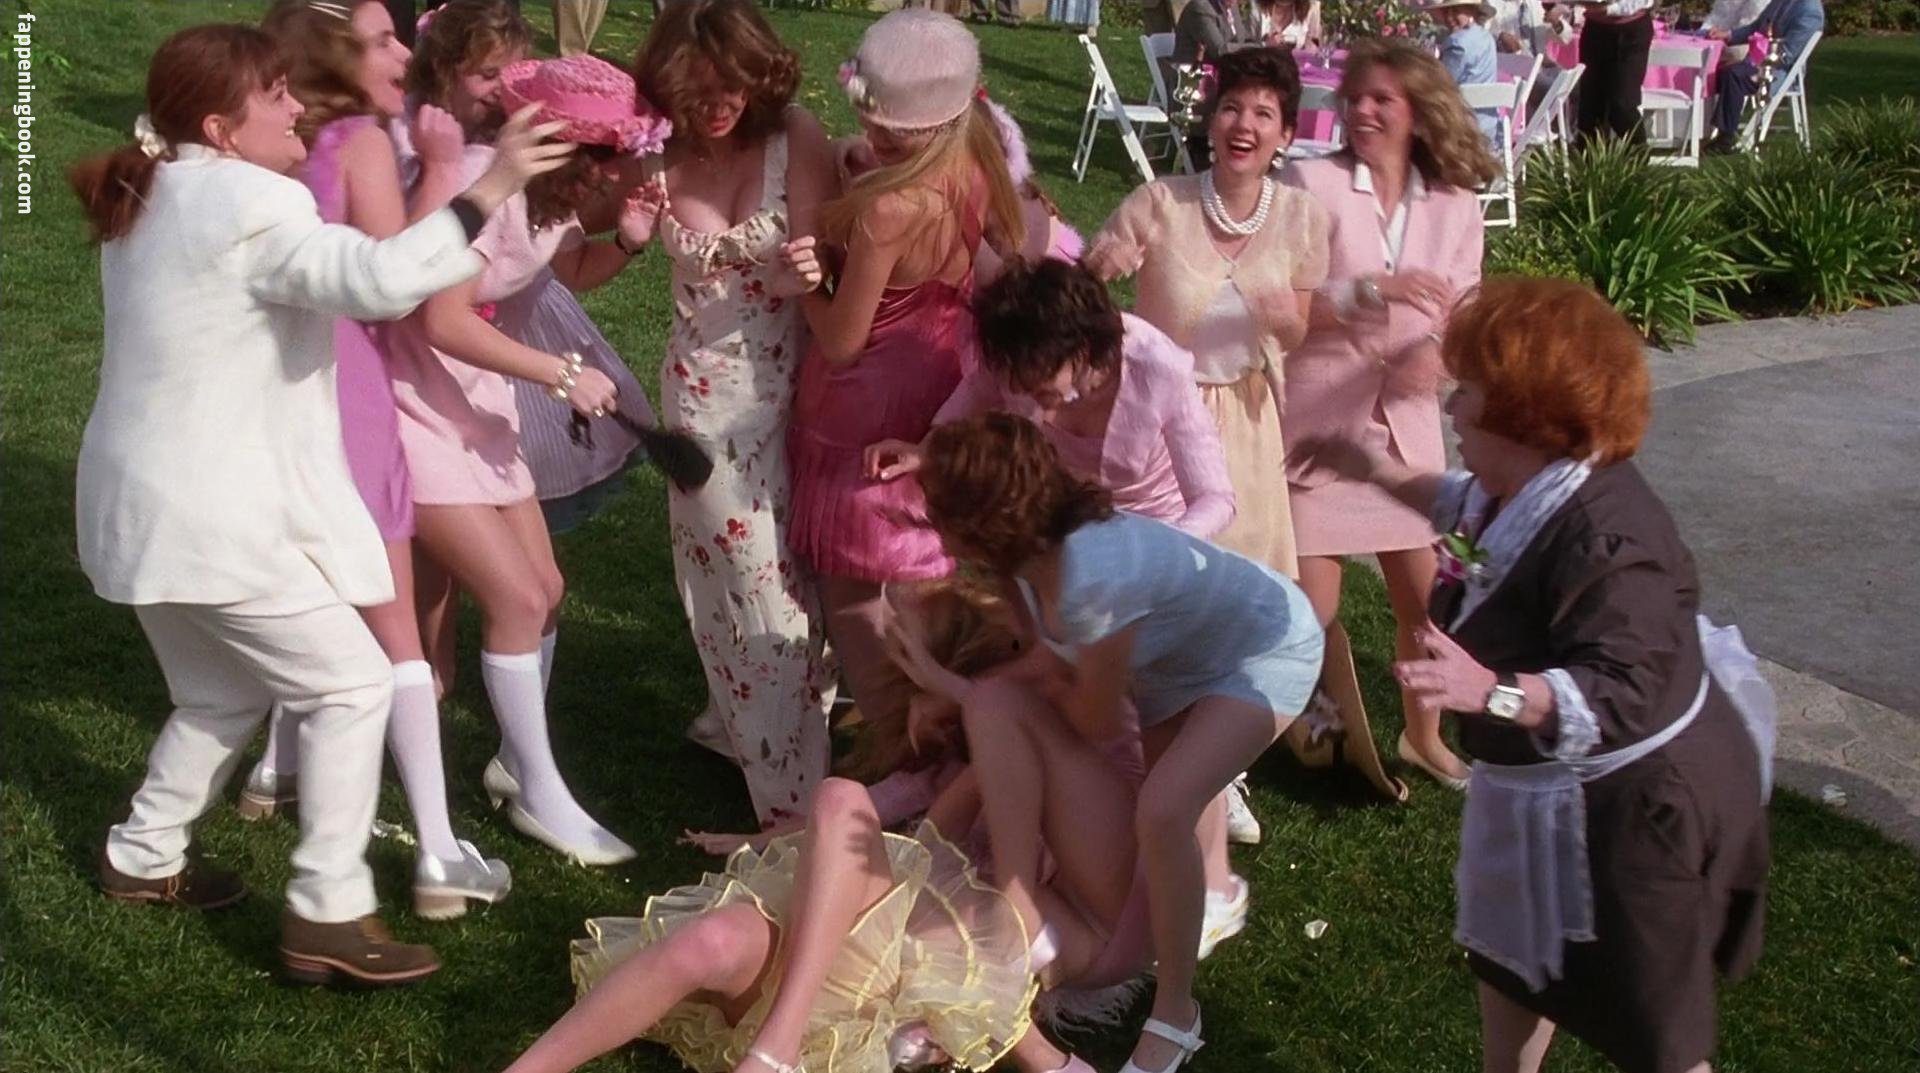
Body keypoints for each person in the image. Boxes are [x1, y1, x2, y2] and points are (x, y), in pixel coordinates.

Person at [71, 22, 565, 983]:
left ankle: (143, 853)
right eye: (274, 95)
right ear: (221, 128)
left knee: (220, 690)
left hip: (136, 511)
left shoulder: (153, 191)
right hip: (213, 518)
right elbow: (379, 283)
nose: (296, 106)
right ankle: (327, 913)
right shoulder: (252, 201)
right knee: (352, 684)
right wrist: (494, 183)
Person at [1302, 277, 1772, 1073]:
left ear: (1525, 415)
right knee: (1513, 966)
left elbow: (1622, 691)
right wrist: (1371, 467)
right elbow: (1462, 507)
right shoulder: (1524, 486)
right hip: (1544, 787)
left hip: (1637, 812)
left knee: (1652, 1025)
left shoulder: (1613, 540)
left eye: (1468, 392)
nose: (1452, 409)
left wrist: (1489, 691)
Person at [501, 584, 1127, 1073]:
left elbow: (942, 864)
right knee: (712, 938)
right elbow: (903, 838)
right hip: (833, 970)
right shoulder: (946, 769)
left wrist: (968, 722)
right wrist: (757, 841)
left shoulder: (1021, 789)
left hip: (886, 989)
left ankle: (776, 1046)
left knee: (841, 800)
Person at [915, 413, 1325, 1073]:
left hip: (1265, 650)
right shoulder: (1027, 569)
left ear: (982, 521)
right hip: (1176, 662)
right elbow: (1050, 665)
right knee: (1161, 827)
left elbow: (1098, 720)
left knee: (1163, 811)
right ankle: (1074, 921)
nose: (929, 520)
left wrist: (965, 689)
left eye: (939, 510)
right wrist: (958, 692)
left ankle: (1176, 1012)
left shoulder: (1091, 577)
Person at [242, 0, 512, 920]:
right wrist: (440, 168)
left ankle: (275, 764)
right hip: (346, 390)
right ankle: (439, 852)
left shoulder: (264, 144)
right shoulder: (358, 141)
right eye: (383, 39)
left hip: (270, 395)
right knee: (397, 634)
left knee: (308, 591)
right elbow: (401, 280)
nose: (405, 49)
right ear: (332, 54)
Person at [388, 21, 671, 866]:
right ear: (565, 146)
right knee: (514, 598)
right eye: (614, 153)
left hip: (477, 405)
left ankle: (518, 761)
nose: (626, 169)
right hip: (416, 405)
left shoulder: (550, 197)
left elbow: (557, 275)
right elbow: (439, 319)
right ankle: (542, 792)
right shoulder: (485, 183)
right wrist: (558, 372)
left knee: (546, 589)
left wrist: (627, 243)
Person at [779, 9, 1024, 761]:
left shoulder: (890, 208)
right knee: (914, 576)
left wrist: (802, 284)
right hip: (935, 388)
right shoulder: (974, 166)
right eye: (870, 120)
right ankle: (938, 729)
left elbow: (842, 340)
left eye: (893, 131)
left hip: (859, 409)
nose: (875, 136)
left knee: (854, 594)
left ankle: (897, 751)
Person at [627, 0, 840, 825]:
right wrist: (627, 234)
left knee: (794, 576)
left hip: (795, 391)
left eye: (733, 85)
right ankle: (791, 806)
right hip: (702, 403)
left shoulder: (797, 137)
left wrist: (811, 269)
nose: (718, 105)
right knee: (749, 586)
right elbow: (574, 243)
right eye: (698, 89)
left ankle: (753, 725)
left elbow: (828, 262)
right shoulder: (656, 153)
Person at [1280, 39, 1496, 793]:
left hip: (1405, 430)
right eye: (1355, 97)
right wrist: (1372, 291)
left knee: (1428, 606)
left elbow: (1465, 309)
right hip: (1316, 426)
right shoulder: (1309, 181)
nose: (1362, 111)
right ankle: (1316, 733)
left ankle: (1421, 738)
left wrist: (1436, 355)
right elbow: (1280, 301)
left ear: (1420, 113)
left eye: (1382, 100)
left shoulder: (1457, 204)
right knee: (1312, 610)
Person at [869, 258, 1235, 543]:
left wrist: (1169, 547)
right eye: (1017, 381)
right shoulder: (1016, 358)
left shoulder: (1159, 369)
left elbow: (1214, 498)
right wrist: (927, 450)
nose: (1026, 391)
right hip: (1058, 520)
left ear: (1082, 351)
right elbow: (978, 390)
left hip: (1154, 529)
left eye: (1039, 383)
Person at [1704, 0, 1825, 152]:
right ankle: (1701, 129)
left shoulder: (1810, 12)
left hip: (1779, 72)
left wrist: (1756, 60)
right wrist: (1727, 35)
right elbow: (1756, 28)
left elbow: (1787, 55)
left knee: (1733, 75)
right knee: (1715, 72)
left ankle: (1725, 138)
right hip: (1757, 62)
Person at [1571, 0, 1654, 142]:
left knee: (1622, 105)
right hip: (1595, 30)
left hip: (1630, 32)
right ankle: (1590, 155)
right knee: (1590, 106)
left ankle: (1638, 153)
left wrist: (1604, 8)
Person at [1432, 0, 1504, 147]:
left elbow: (1442, 84)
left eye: (1456, 11)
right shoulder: (1487, 37)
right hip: (1490, 126)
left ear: (1472, 11)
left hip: (1462, 127)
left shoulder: (1457, 43)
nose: (1449, 17)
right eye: (1446, 12)